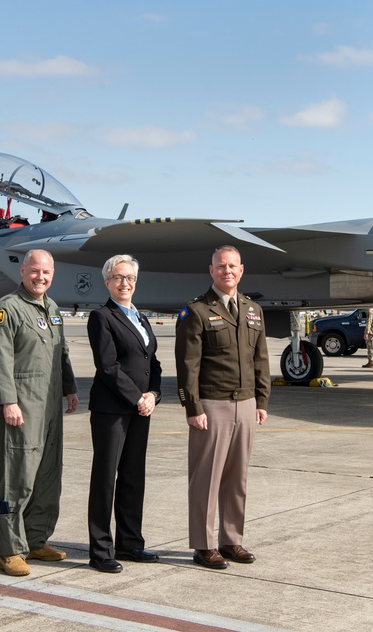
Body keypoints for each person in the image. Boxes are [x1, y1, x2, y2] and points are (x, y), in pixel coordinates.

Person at [0, 249, 78, 577]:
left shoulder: (52, 309)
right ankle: (10, 551)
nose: (41, 277)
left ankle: (36, 539)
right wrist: (7, 401)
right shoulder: (6, 309)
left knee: (48, 476)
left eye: (47, 272)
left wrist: (70, 388)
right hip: (22, 406)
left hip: (51, 405)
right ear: (23, 271)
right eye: (35, 271)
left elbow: (60, 351)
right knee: (17, 478)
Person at [175, 245, 270, 569]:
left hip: (245, 404)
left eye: (232, 266)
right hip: (211, 405)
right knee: (206, 479)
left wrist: (261, 400)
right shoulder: (197, 311)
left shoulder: (253, 310)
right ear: (211, 270)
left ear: (241, 270)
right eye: (220, 266)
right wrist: (193, 408)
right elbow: (188, 366)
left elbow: (261, 359)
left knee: (236, 478)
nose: (227, 271)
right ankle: (204, 545)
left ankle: (232, 540)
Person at [86, 255, 163, 573]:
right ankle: (101, 550)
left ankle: (130, 543)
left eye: (130, 277)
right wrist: (137, 398)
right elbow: (107, 366)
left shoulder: (141, 318)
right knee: (106, 479)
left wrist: (154, 395)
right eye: (118, 277)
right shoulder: (101, 316)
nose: (125, 282)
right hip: (112, 410)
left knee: (133, 477)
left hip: (141, 409)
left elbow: (153, 363)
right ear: (107, 282)